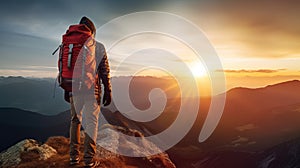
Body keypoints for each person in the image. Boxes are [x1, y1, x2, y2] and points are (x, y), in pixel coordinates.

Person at [64, 16, 112, 167]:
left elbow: (66, 68)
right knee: (91, 122)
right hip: (92, 90)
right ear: (92, 30)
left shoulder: (69, 44)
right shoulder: (97, 46)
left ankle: (73, 157)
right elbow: (104, 70)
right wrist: (108, 90)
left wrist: (67, 89)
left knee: (75, 121)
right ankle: (89, 160)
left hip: (73, 88)